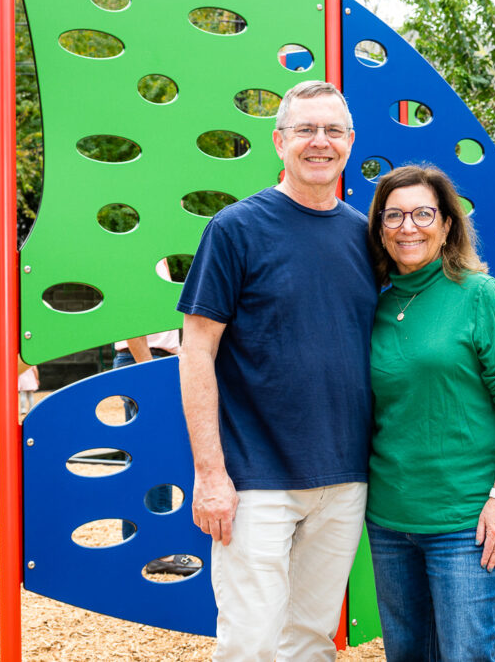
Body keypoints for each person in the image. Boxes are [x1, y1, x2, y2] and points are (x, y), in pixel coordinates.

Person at [176, 80, 376, 661]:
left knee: (312, 638)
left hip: (345, 478)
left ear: (350, 141)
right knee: (252, 641)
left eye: (333, 130)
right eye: (306, 129)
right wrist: (210, 474)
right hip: (253, 478)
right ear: (279, 140)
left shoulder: (365, 237)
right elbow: (197, 353)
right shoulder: (236, 229)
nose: (320, 142)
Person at [365, 165, 495, 662]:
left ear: (446, 226)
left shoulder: (479, 294)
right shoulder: (374, 303)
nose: (407, 226)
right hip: (389, 518)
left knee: (464, 654)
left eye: (422, 213)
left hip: (465, 521)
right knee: (407, 654)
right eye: (393, 215)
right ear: (379, 228)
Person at [110, 289, 195, 576]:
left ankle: (141, 547)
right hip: (146, 360)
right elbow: (131, 320)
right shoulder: (141, 255)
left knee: (143, 462)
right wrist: (150, 372)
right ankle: (159, 551)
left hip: (155, 359)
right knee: (158, 462)